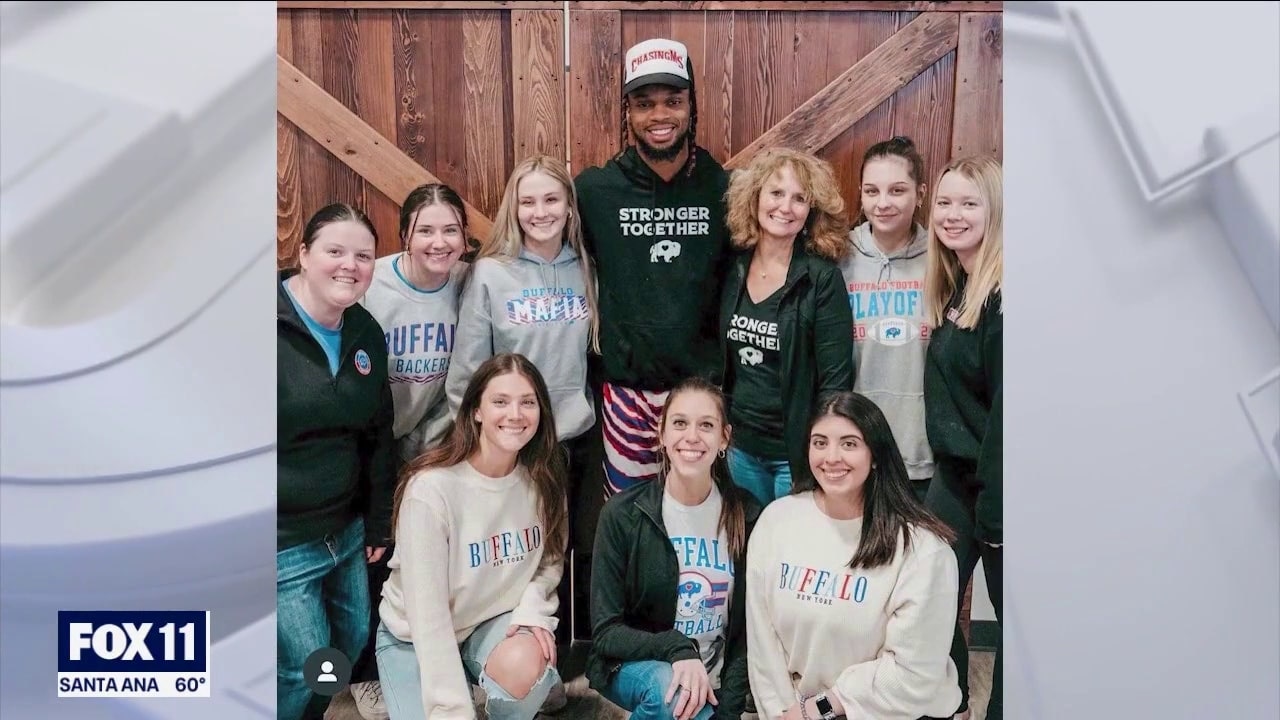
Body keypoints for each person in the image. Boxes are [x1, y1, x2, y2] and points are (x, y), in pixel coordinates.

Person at [445, 154, 601, 651]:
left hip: (575, 436)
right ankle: (510, 657)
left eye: (551, 199)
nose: (540, 212)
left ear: (569, 206)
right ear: (513, 209)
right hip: (514, 441)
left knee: (572, 550)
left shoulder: (586, 268)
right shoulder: (491, 273)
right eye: (527, 201)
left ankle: (569, 662)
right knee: (523, 558)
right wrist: (479, 447)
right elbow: (467, 372)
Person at [574, 37, 732, 497]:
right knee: (630, 517)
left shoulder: (725, 190)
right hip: (628, 396)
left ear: (691, 106)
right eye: (644, 104)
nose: (659, 115)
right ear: (627, 112)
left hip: (703, 398)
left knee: (700, 516)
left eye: (673, 101)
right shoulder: (595, 192)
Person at [745, 391, 963, 720]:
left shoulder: (923, 550)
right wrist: (781, 712)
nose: (831, 457)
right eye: (820, 443)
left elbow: (913, 675)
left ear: (875, 455)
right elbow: (763, 643)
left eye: (849, 444)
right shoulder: (776, 521)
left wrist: (819, 708)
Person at [375, 353, 569, 720]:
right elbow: (429, 617)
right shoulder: (431, 490)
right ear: (476, 410)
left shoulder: (544, 477)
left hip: (490, 622)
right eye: (501, 401)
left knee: (526, 668)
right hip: (413, 637)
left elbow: (550, 560)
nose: (515, 414)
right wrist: (452, 709)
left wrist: (532, 610)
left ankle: (530, 684)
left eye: (528, 402)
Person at [351, 183, 472, 719]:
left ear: (464, 237)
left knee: (424, 557)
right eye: (426, 230)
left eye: (450, 230)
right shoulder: (373, 283)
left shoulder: (468, 282)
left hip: (431, 444)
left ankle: (436, 659)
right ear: (405, 235)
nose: (438, 242)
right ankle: (365, 674)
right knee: (372, 556)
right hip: (370, 440)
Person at [277, 203, 396, 720]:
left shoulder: (365, 331)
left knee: (348, 643)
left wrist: (378, 520)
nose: (350, 265)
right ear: (303, 254)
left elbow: (378, 433)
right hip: (280, 538)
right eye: (335, 251)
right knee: (304, 663)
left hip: (345, 531)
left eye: (363, 256)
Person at [588, 377, 760, 720]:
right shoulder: (623, 514)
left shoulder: (747, 515)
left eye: (706, 425)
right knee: (671, 694)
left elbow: (747, 635)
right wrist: (677, 648)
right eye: (680, 423)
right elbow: (606, 633)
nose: (692, 436)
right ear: (662, 434)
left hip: (712, 681)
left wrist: (727, 712)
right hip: (640, 666)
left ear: (724, 437)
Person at [718, 147, 854, 507]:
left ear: (811, 211)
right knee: (746, 538)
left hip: (793, 456)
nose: (786, 207)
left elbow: (835, 382)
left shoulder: (822, 279)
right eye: (776, 193)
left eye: (799, 198)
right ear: (755, 198)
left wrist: (820, 451)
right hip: (739, 448)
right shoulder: (733, 267)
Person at [922, 155, 1003, 720]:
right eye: (945, 202)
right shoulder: (960, 286)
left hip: (999, 487)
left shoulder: (1004, 299)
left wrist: (998, 517)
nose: (953, 215)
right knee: (926, 600)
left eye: (969, 203)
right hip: (954, 479)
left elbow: (1010, 415)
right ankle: (950, 707)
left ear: (995, 212)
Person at [840, 136, 935, 503]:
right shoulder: (839, 256)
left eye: (897, 190)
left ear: (920, 193)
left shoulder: (942, 259)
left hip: (921, 451)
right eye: (872, 191)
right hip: (854, 448)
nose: (882, 203)